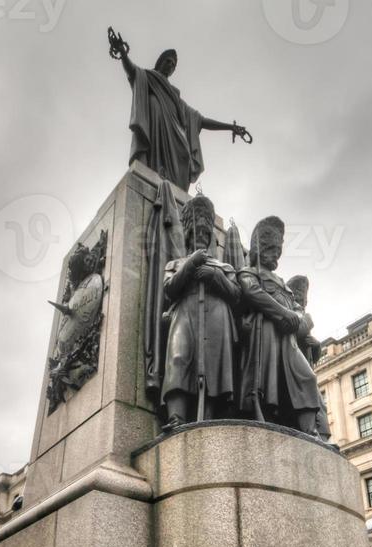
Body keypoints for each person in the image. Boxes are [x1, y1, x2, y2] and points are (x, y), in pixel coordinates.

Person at [108, 31, 250, 191]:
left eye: (174, 65)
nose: (171, 66)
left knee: (184, 158)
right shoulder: (148, 77)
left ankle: (175, 194)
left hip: (176, 141)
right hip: (155, 136)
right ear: (160, 62)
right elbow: (132, 71)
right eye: (168, 61)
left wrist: (230, 127)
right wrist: (122, 53)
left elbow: (201, 120)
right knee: (154, 105)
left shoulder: (175, 95)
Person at [161, 195, 240, 427]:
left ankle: (208, 418)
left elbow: (236, 295)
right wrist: (191, 263)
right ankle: (176, 417)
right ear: (188, 234)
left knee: (214, 368)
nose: (201, 238)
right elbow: (169, 289)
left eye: (206, 234)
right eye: (197, 233)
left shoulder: (223, 267)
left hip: (217, 317)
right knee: (178, 358)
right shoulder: (175, 264)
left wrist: (215, 276)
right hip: (185, 313)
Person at [238, 217, 321, 435]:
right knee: (267, 383)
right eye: (272, 249)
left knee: (307, 377)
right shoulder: (249, 272)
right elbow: (251, 291)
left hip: (288, 340)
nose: (276, 254)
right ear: (261, 249)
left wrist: (299, 319)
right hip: (265, 335)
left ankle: (310, 432)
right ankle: (265, 417)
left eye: (278, 250)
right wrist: (283, 313)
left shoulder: (283, 282)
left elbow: (301, 312)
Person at [287, 275, 331, 442]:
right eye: (298, 292)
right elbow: (298, 331)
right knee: (310, 393)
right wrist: (308, 321)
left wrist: (316, 345)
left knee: (320, 404)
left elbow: (313, 356)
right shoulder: (294, 313)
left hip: (303, 363)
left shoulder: (302, 313)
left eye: (304, 294)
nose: (302, 298)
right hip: (291, 363)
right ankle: (313, 433)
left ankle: (323, 438)